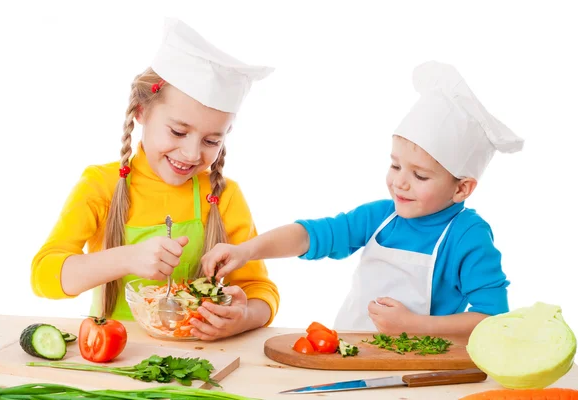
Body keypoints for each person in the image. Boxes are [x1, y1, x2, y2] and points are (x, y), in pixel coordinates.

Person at [201, 61, 524, 336]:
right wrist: (246, 250)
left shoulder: (468, 236)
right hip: (352, 355)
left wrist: (413, 325)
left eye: (420, 176)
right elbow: (311, 235)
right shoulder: (381, 217)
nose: (400, 182)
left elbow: (491, 318)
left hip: (425, 369)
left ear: (462, 188)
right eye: (395, 165)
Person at [31, 18, 280, 341]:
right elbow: (44, 276)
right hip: (114, 356)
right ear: (141, 112)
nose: (192, 154)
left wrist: (243, 317)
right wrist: (127, 258)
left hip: (197, 357)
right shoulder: (101, 184)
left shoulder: (225, 195)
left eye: (211, 141)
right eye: (178, 131)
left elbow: (260, 289)